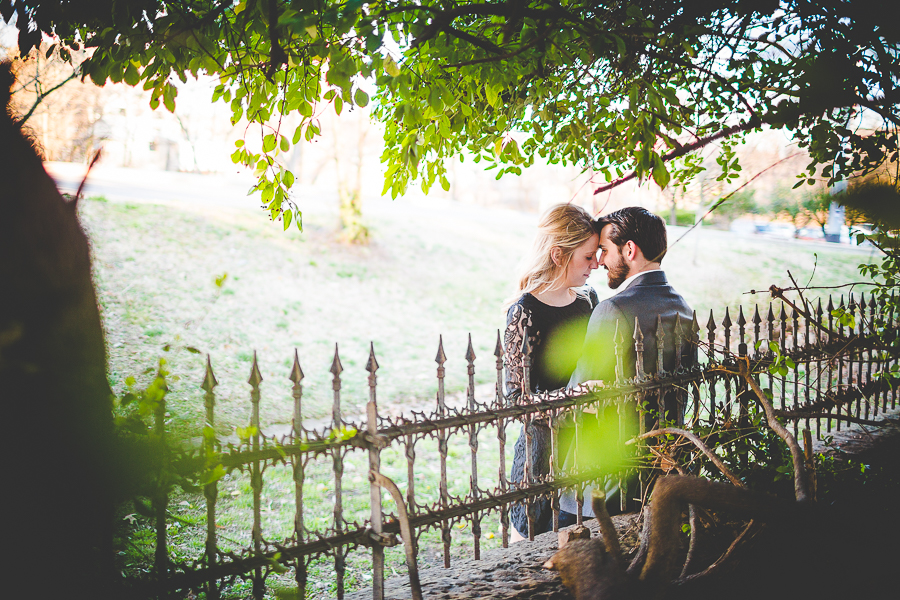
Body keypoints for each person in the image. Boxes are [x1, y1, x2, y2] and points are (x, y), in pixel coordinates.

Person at [561, 206, 695, 520]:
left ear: (630, 250)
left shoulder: (613, 310)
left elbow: (580, 395)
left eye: (605, 251)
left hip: (602, 481)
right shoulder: (684, 309)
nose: (601, 261)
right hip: (658, 473)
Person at [503, 203, 600, 540]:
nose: (597, 263)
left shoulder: (589, 301)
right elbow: (517, 398)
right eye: (588, 257)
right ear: (559, 255)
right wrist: (573, 399)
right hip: (543, 455)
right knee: (534, 542)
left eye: (597, 254)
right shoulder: (524, 312)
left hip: (587, 452)